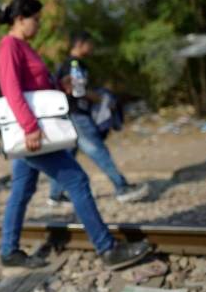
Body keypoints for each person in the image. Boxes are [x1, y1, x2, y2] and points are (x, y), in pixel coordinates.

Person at [0, 0, 151, 269]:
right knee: (77, 180)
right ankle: (107, 248)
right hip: (33, 131)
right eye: (36, 19)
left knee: (23, 187)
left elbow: (36, 86)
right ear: (20, 19)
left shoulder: (24, 46)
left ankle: (9, 250)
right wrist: (30, 127)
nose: (39, 25)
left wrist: (59, 84)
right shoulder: (10, 46)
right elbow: (11, 89)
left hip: (32, 130)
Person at [47, 30, 148, 207]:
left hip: (69, 114)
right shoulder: (75, 64)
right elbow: (79, 90)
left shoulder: (68, 64)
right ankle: (121, 187)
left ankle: (55, 195)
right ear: (80, 44)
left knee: (67, 155)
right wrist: (102, 98)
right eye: (90, 43)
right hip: (77, 114)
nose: (92, 47)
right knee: (98, 151)